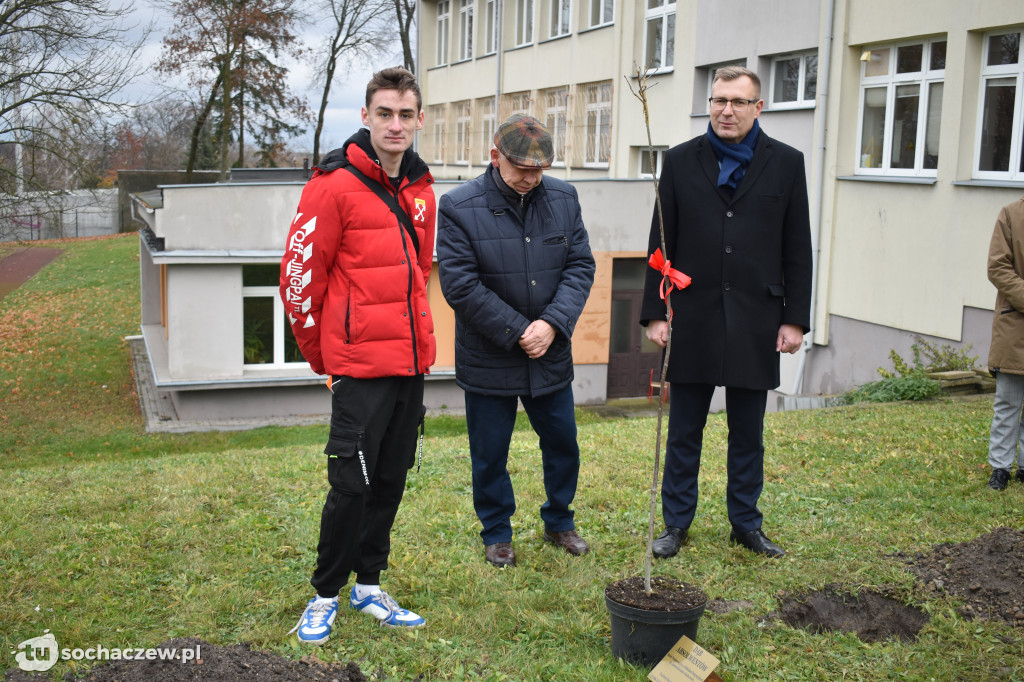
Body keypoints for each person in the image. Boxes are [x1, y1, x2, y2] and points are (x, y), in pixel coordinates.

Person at [279, 67, 435, 644]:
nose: (396, 125)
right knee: (350, 484)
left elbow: (418, 273)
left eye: (406, 114)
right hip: (357, 368)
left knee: (391, 478)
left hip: (410, 363)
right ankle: (325, 594)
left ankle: (368, 585)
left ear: (420, 120)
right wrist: (328, 360)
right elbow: (298, 280)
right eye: (385, 113)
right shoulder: (331, 185)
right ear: (366, 117)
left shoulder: (421, 188)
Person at [640, 66, 813, 559]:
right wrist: (656, 311)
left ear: (758, 108)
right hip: (691, 316)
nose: (726, 110)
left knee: (748, 433)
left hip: (758, 318)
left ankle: (745, 523)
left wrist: (794, 318)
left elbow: (797, 247)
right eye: (718, 100)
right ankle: (675, 525)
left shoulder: (787, 163)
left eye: (738, 101)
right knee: (684, 431)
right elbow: (661, 243)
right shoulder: (678, 161)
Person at [436, 114, 596, 568]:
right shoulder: (458, 206)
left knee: (563, 443)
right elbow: (460, 286)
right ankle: (497, 532)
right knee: (490, 453)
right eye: (519, 169)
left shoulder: (564, 198)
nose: (529, 179)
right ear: (494, 157)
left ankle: (560, 521)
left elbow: (580, 266)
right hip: (490, 356)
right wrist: (517, 330)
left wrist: (551, 324)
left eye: (537, 170)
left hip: (550, 353)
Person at [985, 196, 1024, 491]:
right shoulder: (1011, 214)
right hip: (1015, 325)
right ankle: (1000, 468)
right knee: (1008, 402)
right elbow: (997, 267)